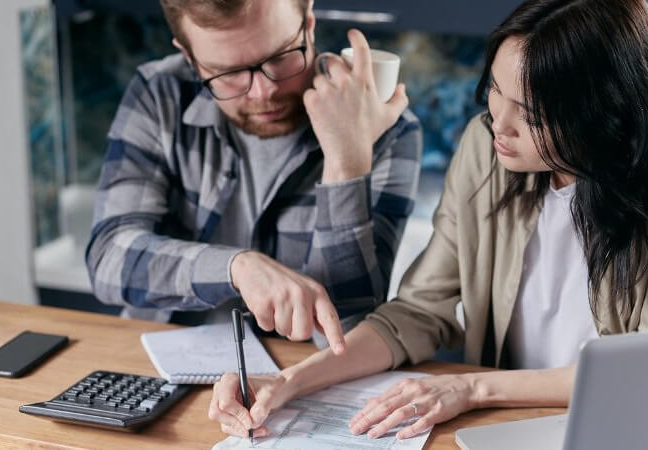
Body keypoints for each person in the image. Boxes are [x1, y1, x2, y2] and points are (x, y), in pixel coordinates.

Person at [208, 0, 648, 441]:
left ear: (600, 113)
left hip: (620, 431)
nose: (498, 122)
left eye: (531, 114)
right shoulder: (487, 149)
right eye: (495, 90)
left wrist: (471, 388)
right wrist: (291, 380)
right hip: (504, 426)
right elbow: (417, 312)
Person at [85, 0, 422, 351]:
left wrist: (345, 163)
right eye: (227, 73)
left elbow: (350, 331)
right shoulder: (160, 93)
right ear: (189, 57)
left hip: (304, 377)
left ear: (308, 23)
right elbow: (108, 259)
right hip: (160, 361)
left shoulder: (385, 127)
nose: (264, 92)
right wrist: (237, 269)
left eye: (280, 57)